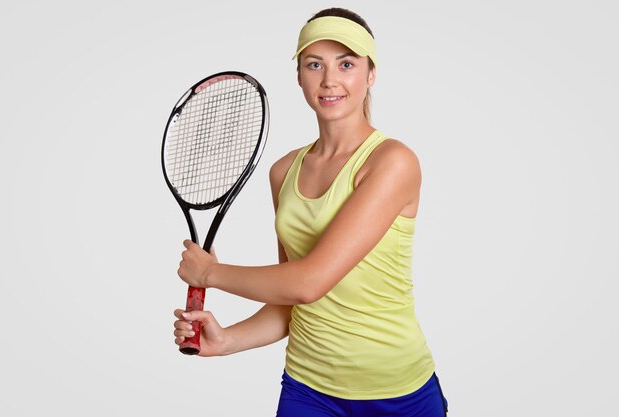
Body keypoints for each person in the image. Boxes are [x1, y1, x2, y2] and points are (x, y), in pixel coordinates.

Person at [173, 7, 448, 417]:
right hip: (308, 390)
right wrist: (227, 340)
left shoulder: (393, 162)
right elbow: (289, 301)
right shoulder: (284, 172)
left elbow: (309, 282)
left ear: (370, 74)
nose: (330, 80)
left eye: (347, 64)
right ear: (299, 76)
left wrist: (210, 273)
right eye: (314, 64)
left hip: (397, 390)